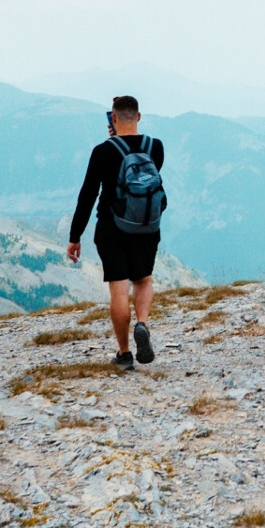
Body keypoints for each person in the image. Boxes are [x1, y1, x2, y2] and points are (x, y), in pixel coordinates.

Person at [66, 95, 167, 371]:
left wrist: (75, 236)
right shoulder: (154, 147)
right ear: (138, 116)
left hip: (111, 228)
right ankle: (142, 323)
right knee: (143, 280)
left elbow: (87, 196)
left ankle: (124, 354)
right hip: (147, 226)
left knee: (119, 290)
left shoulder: (103, 151)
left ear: (113, 118)